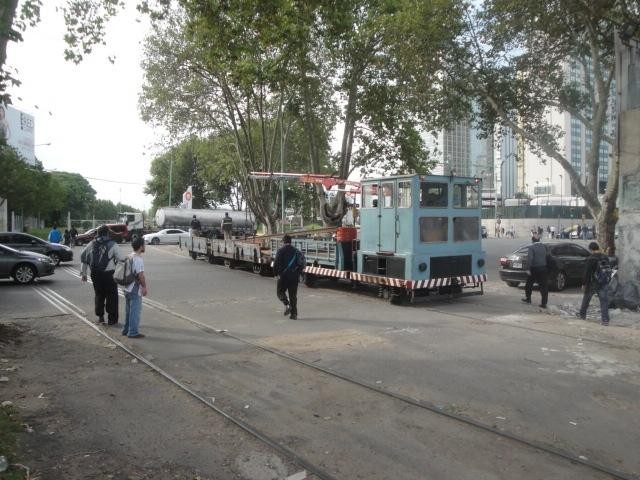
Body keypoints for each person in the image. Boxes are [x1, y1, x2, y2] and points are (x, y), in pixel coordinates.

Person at [80, 225, 121, 325]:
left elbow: (83, 258)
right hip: (109, 275)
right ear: (107, 233)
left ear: (97, 233)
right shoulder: (113, 244)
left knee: (99, 295)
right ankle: (112, 320)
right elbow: (121, 259)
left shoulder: (91, 244)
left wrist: (84, 274)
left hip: (95, 274)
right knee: (112, 296)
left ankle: (100, 317)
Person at [578, 242, 611, 325]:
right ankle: (605, 320)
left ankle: (582, 315)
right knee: (604, 301)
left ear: (591, 249)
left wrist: (584, 284)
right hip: (604, 281)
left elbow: (587, 273)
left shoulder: (591, 258)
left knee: (586, 299)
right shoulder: (605, 257)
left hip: (593, 282)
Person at [122, 237, 148, 338]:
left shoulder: (129, 256)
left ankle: (126, 330)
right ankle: (132, 332)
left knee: (128, 311)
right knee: (135, 312)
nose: (145, 247)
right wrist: (144, 287)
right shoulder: (138, 259)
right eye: (144, 245)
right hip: (134, 288)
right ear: (141, 247)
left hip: (127, 287)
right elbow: (140, 275)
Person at [273, 234, 304, 320]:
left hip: (283, 276)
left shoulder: (280, 251)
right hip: (294, 276)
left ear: (283, 242)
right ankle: (294, 315)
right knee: (293, 296)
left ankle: (287, 305)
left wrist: (275, 274)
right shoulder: (296, 251)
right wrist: (300, 273)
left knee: (280, 292)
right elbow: (301, 263)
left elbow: (276, 264)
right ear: (290, 242)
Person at [522, 233, 549, 308]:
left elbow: (530, 259)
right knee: (543, 286)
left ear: (532, 240)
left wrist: (527, 269)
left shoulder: (532, 247)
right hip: (543, 268)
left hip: (534, 268)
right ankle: (544, 303)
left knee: (529, 284)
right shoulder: (544, 247)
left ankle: (528, 299)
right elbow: (547, 256)